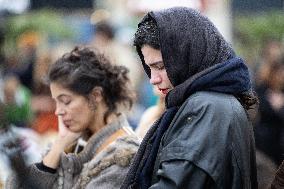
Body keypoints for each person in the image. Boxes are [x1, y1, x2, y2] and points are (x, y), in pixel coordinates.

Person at [121, 7, 258, 189]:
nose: (153, 79)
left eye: (161, 66)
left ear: (188, 56)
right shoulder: (208, 103)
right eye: (150, 68)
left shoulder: (207, 107)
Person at [5, 47, 139, 189]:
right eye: (56, 102)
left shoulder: (124, 155)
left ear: (96, 95)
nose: (58, 111)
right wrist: (58, 147)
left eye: (66, 101)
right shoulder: (73, 142)